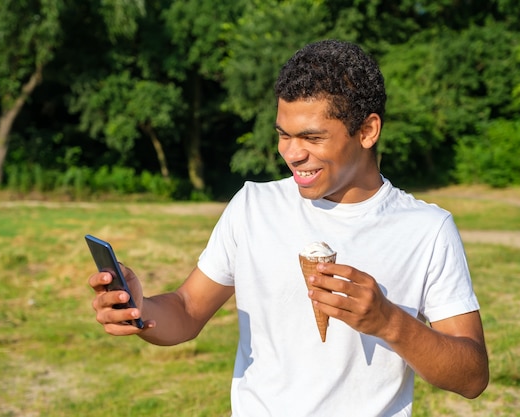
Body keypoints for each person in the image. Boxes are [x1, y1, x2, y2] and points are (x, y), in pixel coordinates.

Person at [89, 39, 489, 416]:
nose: (293, 154)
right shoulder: (253, 205)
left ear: (367, 131)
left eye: (312, 138)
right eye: (284, 135)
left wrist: (390, 321)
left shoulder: (427, 229)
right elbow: (188, 309)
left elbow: (471, 376)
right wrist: (140, 311)